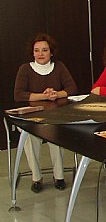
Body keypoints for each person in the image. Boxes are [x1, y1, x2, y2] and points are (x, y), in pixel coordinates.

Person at [14, 33, 78, 192]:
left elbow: (72, 88)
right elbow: (19, 95)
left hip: (55, 116)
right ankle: (36, 178)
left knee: (55, 134)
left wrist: (56, 94)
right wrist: (44, 96)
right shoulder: (25, 69)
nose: (40, 54)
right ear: (32, 53)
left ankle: (59, 176)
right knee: (29, 136)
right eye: (36, 50)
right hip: (32, 117)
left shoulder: (59, 67)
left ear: (51, 52)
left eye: (44, 50)